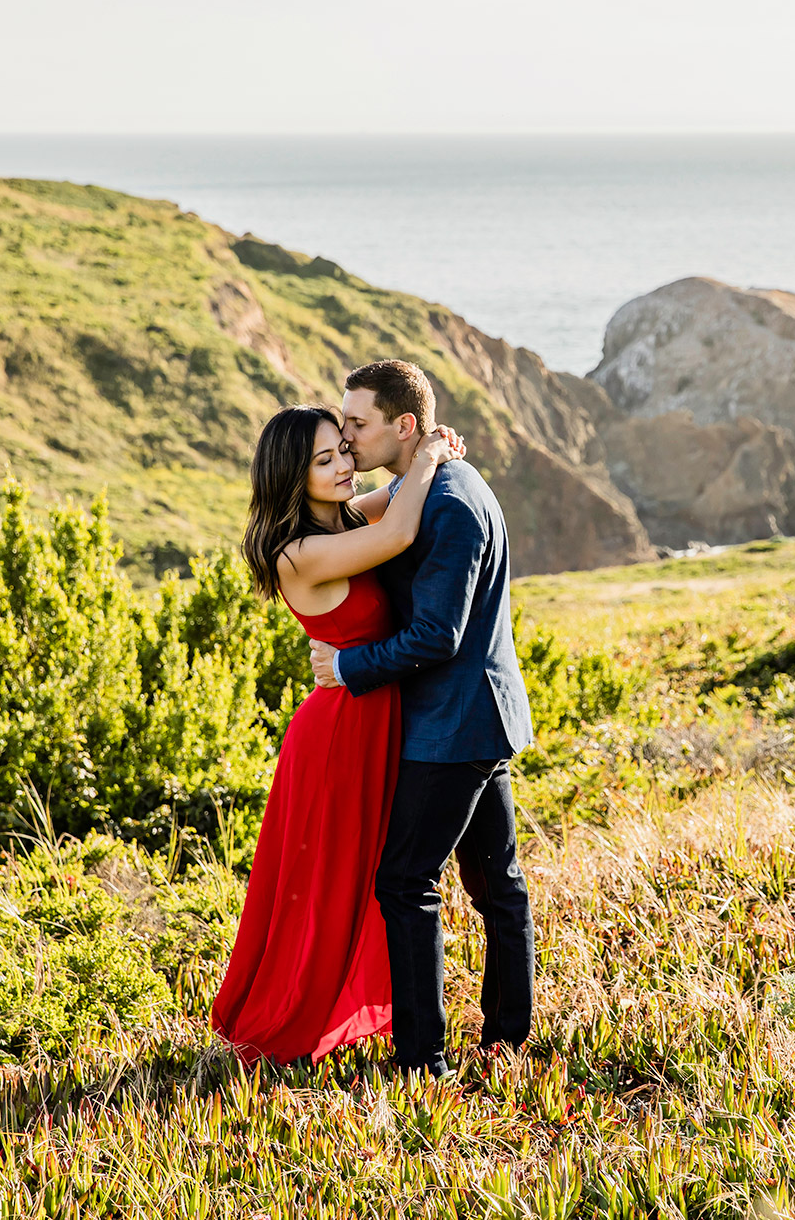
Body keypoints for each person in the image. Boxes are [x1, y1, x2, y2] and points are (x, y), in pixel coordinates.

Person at [210, 402, 464, 1065]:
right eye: (324, 460)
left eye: (343, 451)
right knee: (328, 886)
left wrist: (430, 449)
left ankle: (362, 1009)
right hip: (338, 739)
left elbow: (392, 498)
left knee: (369, 879)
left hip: (371, 722)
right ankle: (289, 1020)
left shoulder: (343, 516)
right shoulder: (297, 553)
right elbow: (397, 534)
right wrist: (431, 455)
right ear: (294, 476)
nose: (345, 464)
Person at [307, 359, 536, 1079]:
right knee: (498, 882)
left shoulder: (450, 503)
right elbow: (372, 515)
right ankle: (505, 1038)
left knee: (407, 882)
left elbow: (437, 634)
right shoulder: (422, 484)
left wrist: (347, 669)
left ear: (403, 426)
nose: (346, 438)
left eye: (357, 424)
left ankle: (422, 1062)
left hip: (453, 724)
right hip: (470, 716)